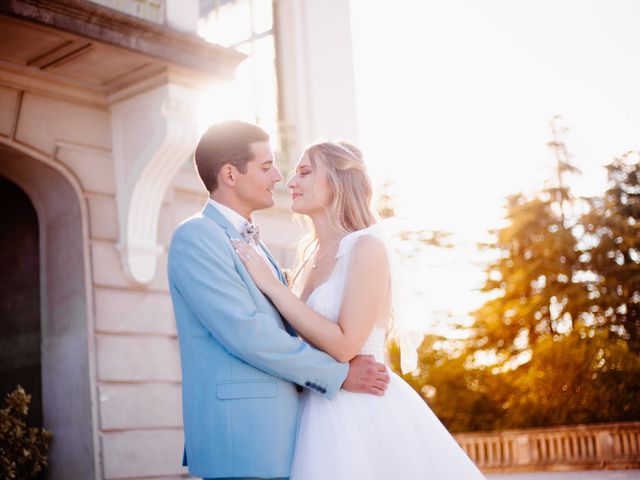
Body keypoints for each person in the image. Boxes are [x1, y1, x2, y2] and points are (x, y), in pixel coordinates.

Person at [233, 140, 486, 479]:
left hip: (359, 410)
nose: (290, 182)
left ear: (339, 180)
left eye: (305, 172)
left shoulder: (367, 247)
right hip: (310, 405)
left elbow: (345, 345)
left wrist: (274, 287)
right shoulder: (307, 258)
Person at [167, 121, 390, 480]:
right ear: (230, 174)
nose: (280, 177)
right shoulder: (197, 236)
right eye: (267, 166)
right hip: (244, 435)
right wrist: (340, 374)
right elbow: (248, 333)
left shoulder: (257, 244)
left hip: (293, 432)